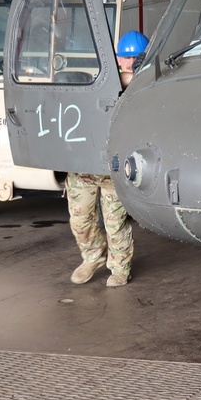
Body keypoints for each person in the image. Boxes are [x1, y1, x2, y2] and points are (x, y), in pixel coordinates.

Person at [67, 31, 148, 287]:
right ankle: (93, 256)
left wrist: (132, 76)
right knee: (79, 218)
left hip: (115, 169)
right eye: (125, 58)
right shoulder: (99, 79)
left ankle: (120, 268)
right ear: (116, 57)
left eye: (135, 58)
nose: (129, 62)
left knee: (115, 223)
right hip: (85, 165)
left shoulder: (146, 87)